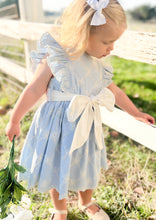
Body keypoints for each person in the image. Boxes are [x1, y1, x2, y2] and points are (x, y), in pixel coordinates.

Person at [5, 0, 155, 219]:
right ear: (83, 33)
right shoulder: (56, 56)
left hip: (86, 126)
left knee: (87, 164)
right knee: (58, 166)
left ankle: (87, 202)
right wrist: (15, 119)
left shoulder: (97, 64)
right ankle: (60, 209)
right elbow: (34, 89)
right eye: (107, 42)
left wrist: (135, 113)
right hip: (57, 127)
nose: (111, 48)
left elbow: (116, 92)